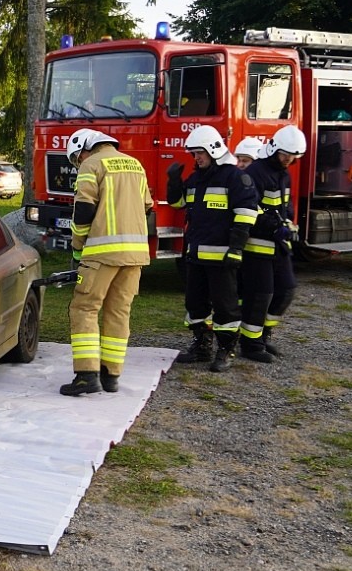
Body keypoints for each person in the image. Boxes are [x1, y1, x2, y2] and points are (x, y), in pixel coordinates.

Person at [60, 129, 155, 396]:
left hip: (101, 252)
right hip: (135, 254)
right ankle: (111, 375)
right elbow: (148, 206)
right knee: (118, 311)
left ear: (83, 149)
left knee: (84, 309)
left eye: (76, 159)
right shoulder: (135, 164)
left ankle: (86, 376)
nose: (78, 163)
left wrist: (78, 247)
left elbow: (83, 212)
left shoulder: (92, 164)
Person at [167, 124, 259, 372]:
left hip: (222, 257)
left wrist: (236, 249)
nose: (196, 158)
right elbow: (178, 204)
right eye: (194, 154)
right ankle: (202, 346)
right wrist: (174, 182)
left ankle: (226, 349)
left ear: (214, 150)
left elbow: (246, 214)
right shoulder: (196, 178)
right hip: (195, 256)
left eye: (200, 153)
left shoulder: (236, 177)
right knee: (195, 304)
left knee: (225, 305)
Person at [237, 125, 306, 361]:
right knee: (260, 295)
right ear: (275, 149)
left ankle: (263, 336)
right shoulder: (257, 171)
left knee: (286, 290)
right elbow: (251, 208)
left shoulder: (283, 173)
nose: (289, 160)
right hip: (257, 245)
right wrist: (274, 226)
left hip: (278, 245)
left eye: (293, 157)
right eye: (286, 155)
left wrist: (288, 224)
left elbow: (285, 205)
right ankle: (250, 345)